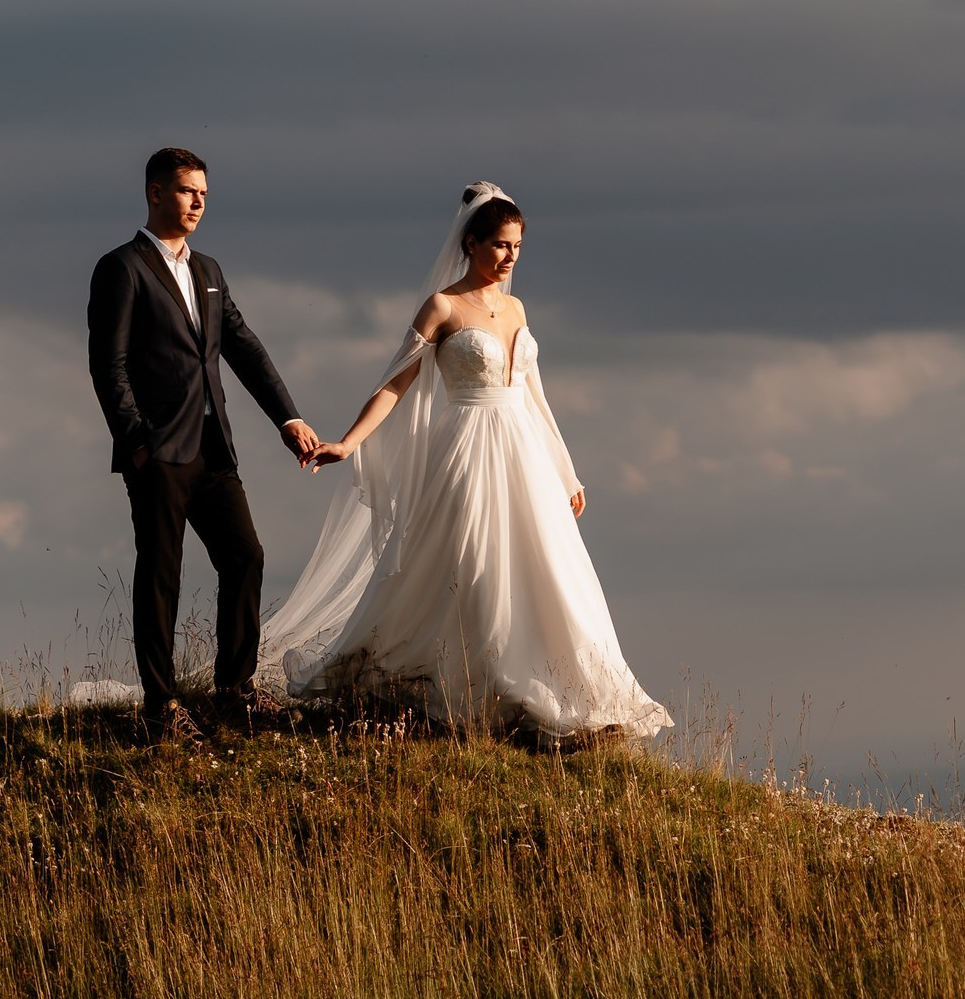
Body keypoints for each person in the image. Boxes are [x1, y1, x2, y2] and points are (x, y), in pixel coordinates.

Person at [259, 182, 671, 742]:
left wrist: (565, 469)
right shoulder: (443, 306)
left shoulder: (518, 307)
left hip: (523, 452)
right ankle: (467, 692)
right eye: (500, 245)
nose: (509, 258)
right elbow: (394, 384)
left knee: (544, 566)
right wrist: (349, 442)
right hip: (466, 449)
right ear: (470, 243)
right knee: (471, 565)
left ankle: (547, 693)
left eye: (518, 247)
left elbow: (535, 396)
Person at [87, 147, 319, 742]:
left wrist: (287, 419)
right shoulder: (122, 268)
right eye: (189, 192)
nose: (198, 204)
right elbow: (107, 366)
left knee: (246, 556)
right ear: (156, 193)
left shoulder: (210, 271)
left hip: (215, 448)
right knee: (161, 574)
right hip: (159, 452)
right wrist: (138, 442)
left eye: (205, 195)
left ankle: (234, 692)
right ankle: (161, 707)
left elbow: (244, 348)